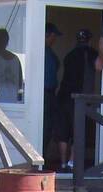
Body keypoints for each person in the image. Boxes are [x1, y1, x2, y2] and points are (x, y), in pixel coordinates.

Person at [56, 29, 103, 172]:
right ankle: (72, 163)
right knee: (78, 131)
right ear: (89, 40)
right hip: (79, 99)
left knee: (63, 133)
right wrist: (102, 49)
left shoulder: (69, 55)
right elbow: (99, 66)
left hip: (63, 97)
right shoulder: (89, 52)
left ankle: (63, 164)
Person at [43, 23, 61, 156]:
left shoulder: (50, 52)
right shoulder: (40, 51)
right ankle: (39, 158)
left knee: (49, 127)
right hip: (43, 94)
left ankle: (42, 155)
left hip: (51, 94)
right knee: (44, 126)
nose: (55, 39)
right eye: (53, 36)